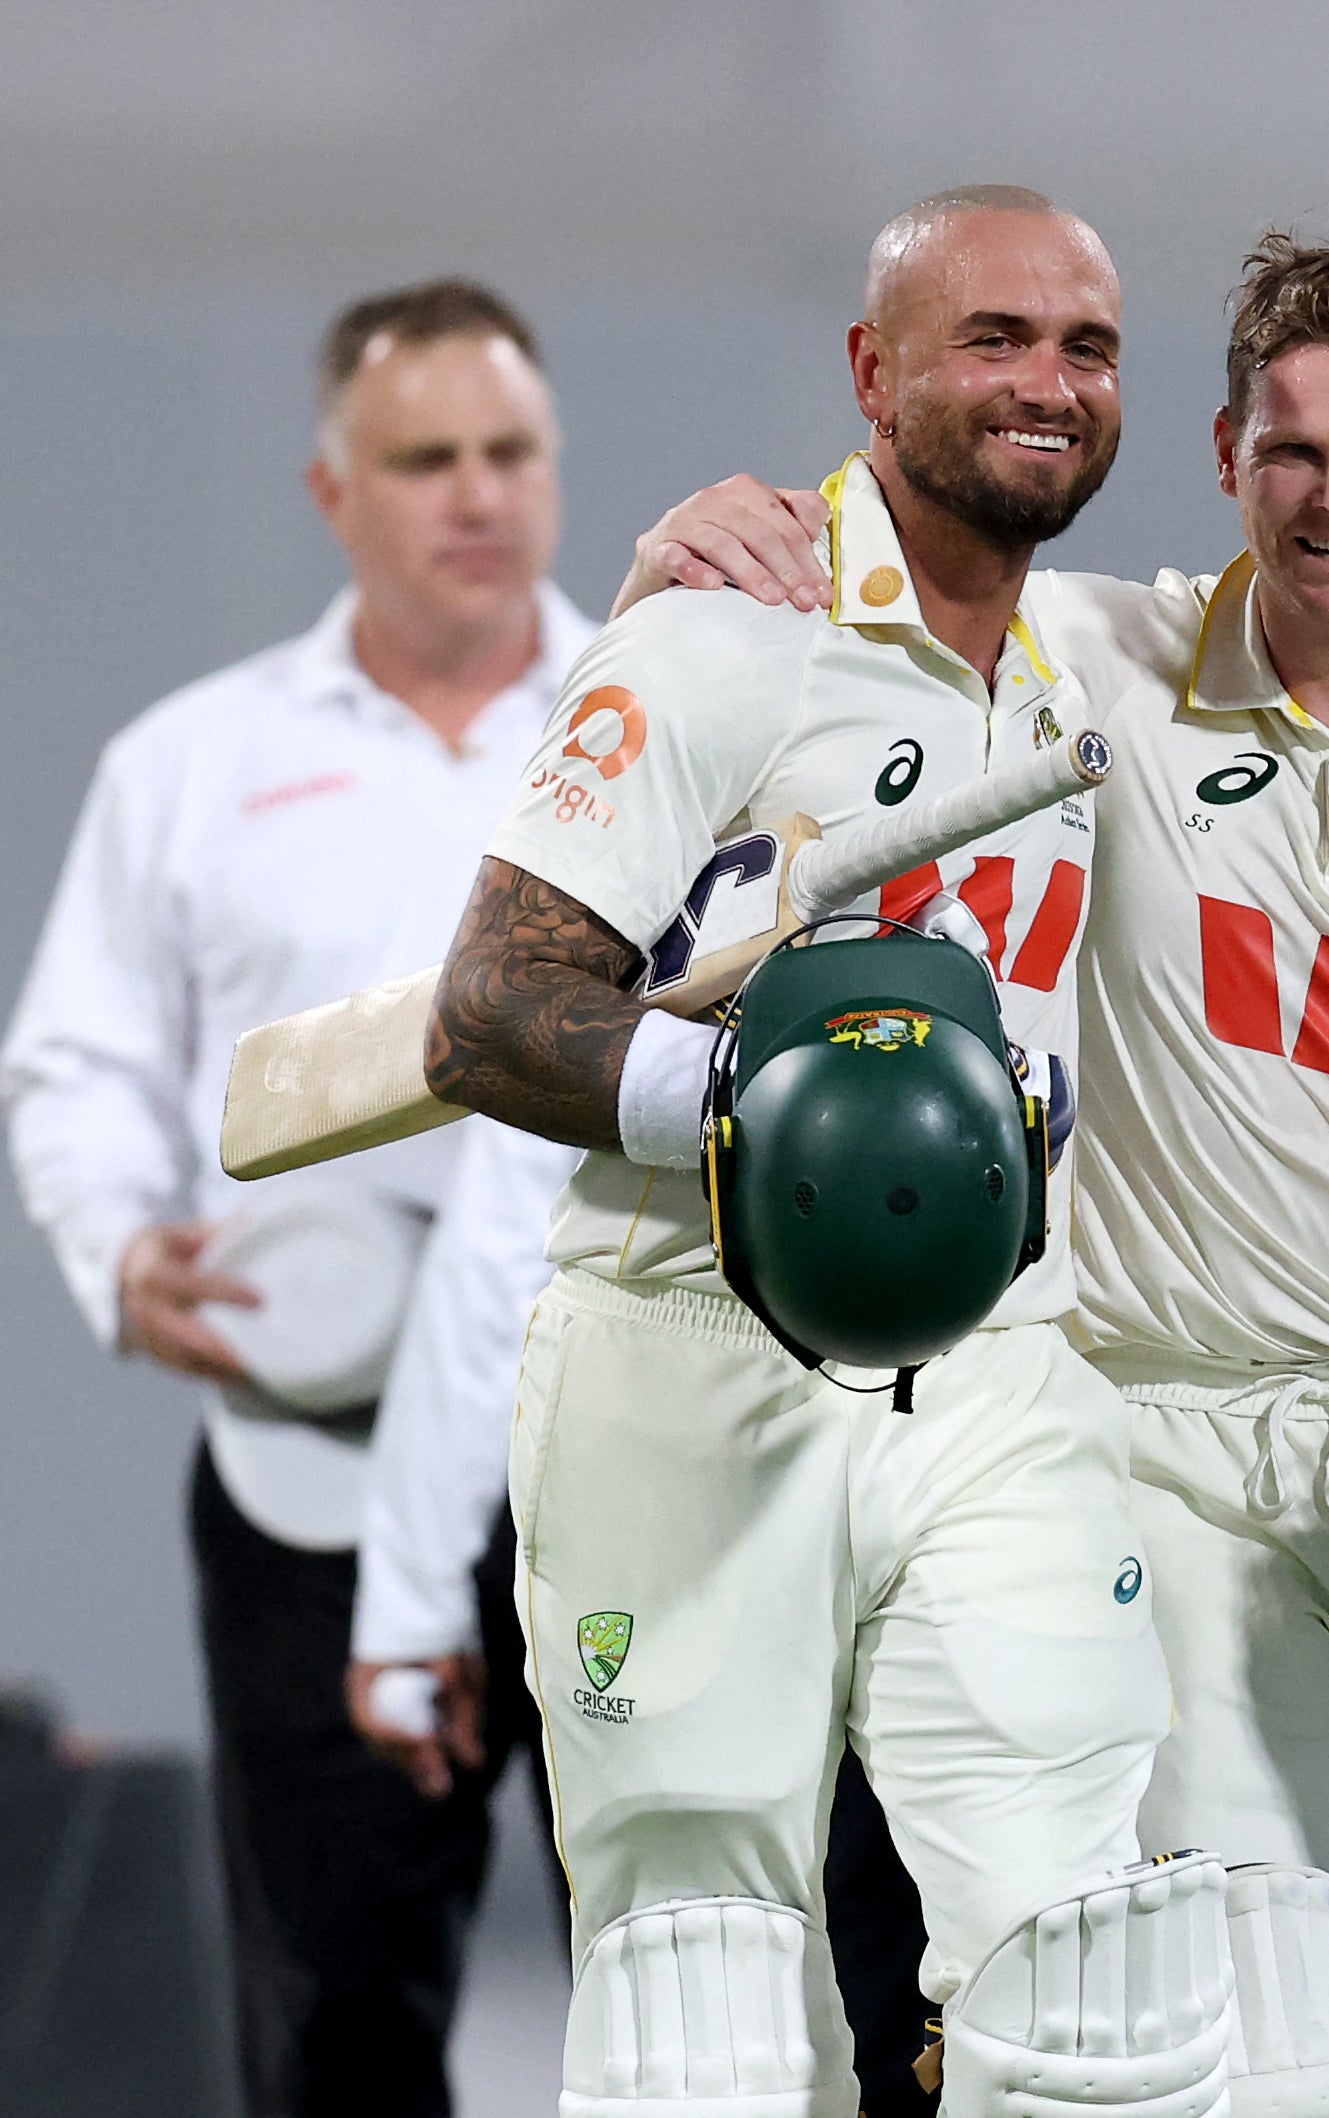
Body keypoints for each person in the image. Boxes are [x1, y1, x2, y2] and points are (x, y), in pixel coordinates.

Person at [621, 229, 1329, 2114]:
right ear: (1228, 451)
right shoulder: (1095, 666)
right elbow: (856, 613)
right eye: (1296, 453)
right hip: (1178, 1473)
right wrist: (686, 542)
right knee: (1263, 2051)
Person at [422, 188, 1206, 2118]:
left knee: (1078, 1956)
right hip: (690, 1349)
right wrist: (776, 1120)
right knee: (705, 2004)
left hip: (988, 1363)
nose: (1048, 384)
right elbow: (488, 1007)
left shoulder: (1079, 669)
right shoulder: (722, 632)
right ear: (873, 373)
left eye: (1087, 348)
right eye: (993, 339)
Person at [0, 278, 587, 2117]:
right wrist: (116, 1252)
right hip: (307, 1455)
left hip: (615, 1450)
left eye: (509, 452)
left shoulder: (656, 736)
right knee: (332, 2002)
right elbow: (75, 1058)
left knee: (682, 1973)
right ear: (336, 492)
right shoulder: (196, 766)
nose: (476, 495)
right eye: (426, 459)